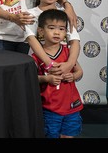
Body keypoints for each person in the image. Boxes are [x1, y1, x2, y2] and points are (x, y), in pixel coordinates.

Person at [31, 9, 83, 138]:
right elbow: (31, 78)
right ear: (41, 31)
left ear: (66, 32)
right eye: (52, 28)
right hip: (50, 109)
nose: (57, 32)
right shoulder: (36, 56)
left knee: (68, 135)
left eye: (61, 29)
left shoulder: (68, 52)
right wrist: (46, 78)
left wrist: (73, 76)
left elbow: (79, 72)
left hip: (72, 107)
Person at [24, 0, 80, 76]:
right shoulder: (29, 14)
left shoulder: (66, 14)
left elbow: (75, 41)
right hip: (38, 68)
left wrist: (70, 64)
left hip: (63, 66)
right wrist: (50, 64)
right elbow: (31, 39)